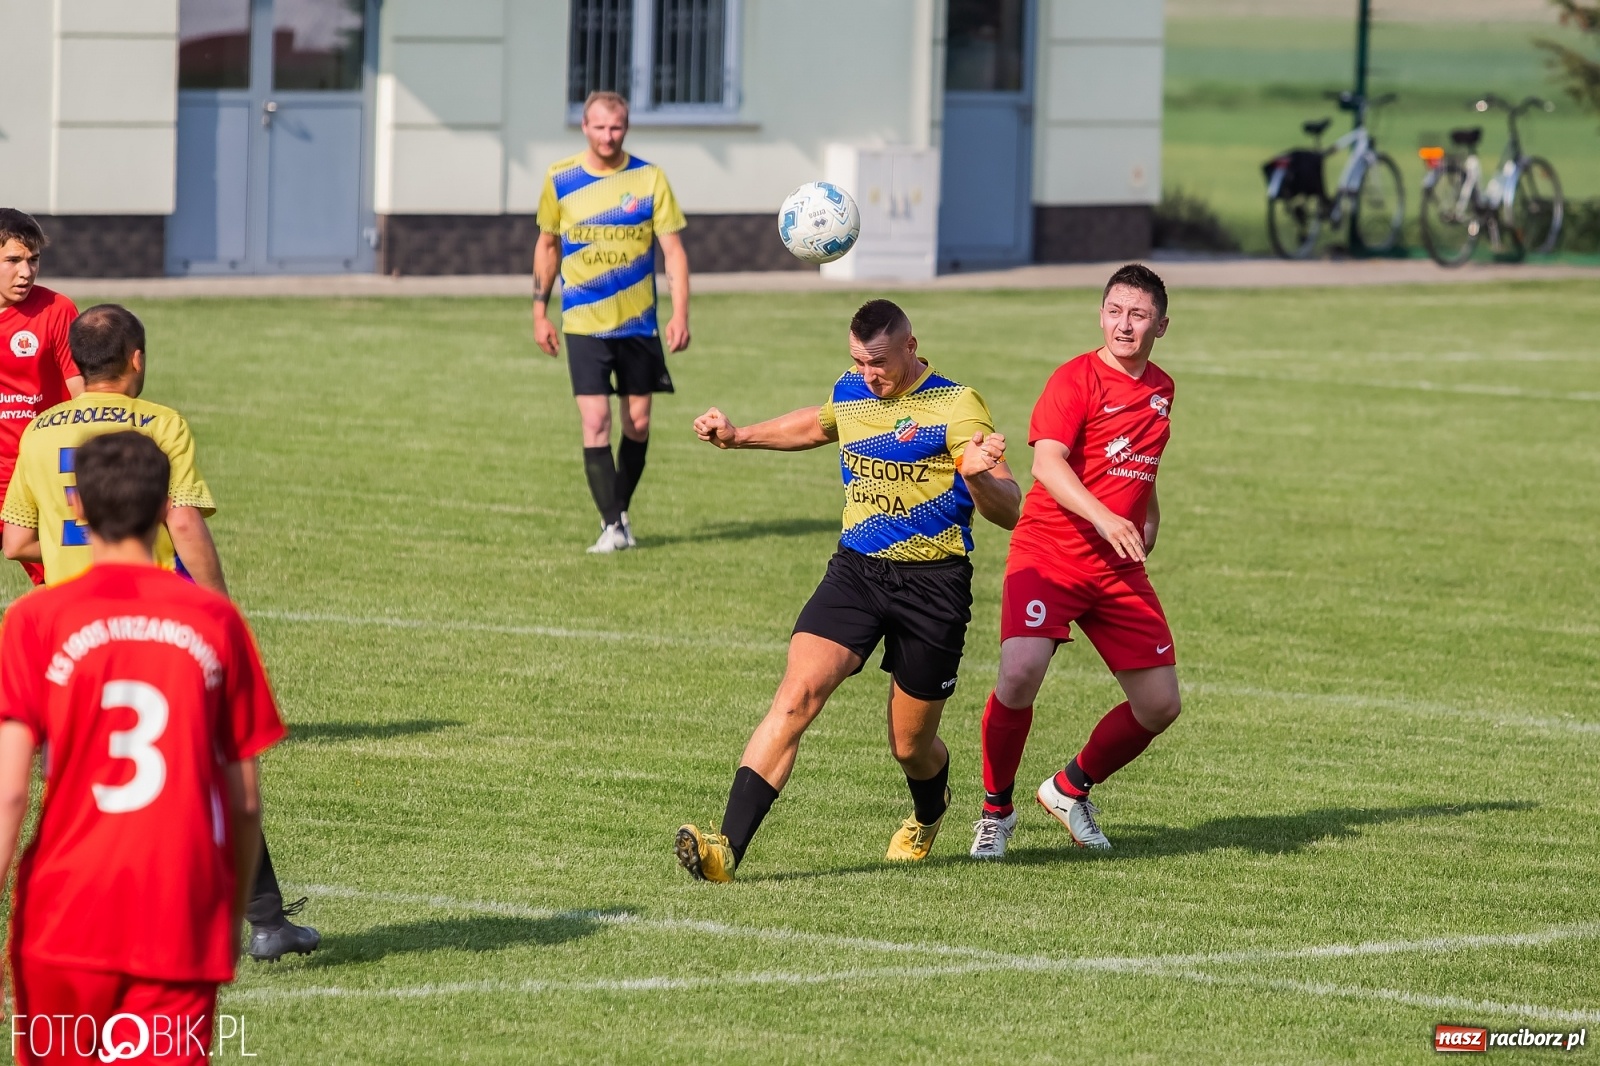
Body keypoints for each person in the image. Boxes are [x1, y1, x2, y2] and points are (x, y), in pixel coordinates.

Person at [0, 304, 320, 963]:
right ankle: (259, 921)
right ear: (137, 359)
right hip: (157, 622)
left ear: (78, 365)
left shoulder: (37, 432)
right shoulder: (159, 423)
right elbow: (187, 525)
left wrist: (64, 552)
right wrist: (218, 610)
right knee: (206, 766)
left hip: (68, 628)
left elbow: (15, 540)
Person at [675, 299, 1020, 882]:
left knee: (911, 747)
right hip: (856, 573)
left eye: (879, 362)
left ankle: (929, 812)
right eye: (858, 362)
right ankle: (724, 850)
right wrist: (739, 437)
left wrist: (979, 474)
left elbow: (1009, 511)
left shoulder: (957, 405)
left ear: (912, 348)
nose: (868, 375)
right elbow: (819, 422)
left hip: (933, 586)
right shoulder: (854, 389)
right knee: (796, 695)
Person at [0, 431, 286, 1066]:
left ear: (76, 507)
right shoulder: (215, 624)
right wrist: (233, 914)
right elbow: (243, 801)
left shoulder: (35, 621)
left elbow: (11, 791)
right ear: (165, 507)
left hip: (65, 902)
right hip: (178, 901)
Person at [969, 263, 1181, 860]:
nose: (1124, 324)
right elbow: (1048, 465)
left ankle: (1069, 789)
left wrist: (1148, 511)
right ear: (1101, 314)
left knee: (1160, 704)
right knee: (1019, 673)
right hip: (1052, 550)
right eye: (1115, 311)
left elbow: (1142, 457)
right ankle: (995, 812)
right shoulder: (1074, 379)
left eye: (1138, 315)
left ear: (1161, 325)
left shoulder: (1162, 389)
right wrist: (1106, 517)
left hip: (1118, 563)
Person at [532, 90, 691, 554]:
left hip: (638, 325)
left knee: (637, 424)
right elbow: (547, 246)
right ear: (584, 127)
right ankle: (611, 525)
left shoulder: (649, 179)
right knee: (596, 419)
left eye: (616, 127)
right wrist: (539, 310)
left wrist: (680, 312)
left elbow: (674, 252)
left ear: (626, 128)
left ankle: (618, 512)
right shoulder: (560, 178)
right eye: (599, 127)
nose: (608, 136)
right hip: (582, 322)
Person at [0, 209, 84, 586]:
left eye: (33, 260)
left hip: (40, 475)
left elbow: (84, 396)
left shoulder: (56, 310)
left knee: (68, 587)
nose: (26, 272)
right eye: (13, 260)